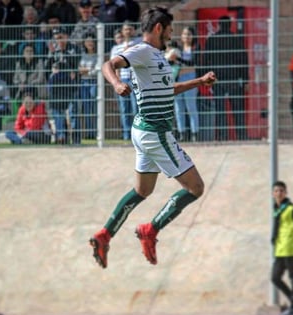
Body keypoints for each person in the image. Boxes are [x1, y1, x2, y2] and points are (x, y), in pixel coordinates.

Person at [89, 6, 216, 269]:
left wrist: (199, 81)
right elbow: (108, 64)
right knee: (196, 187)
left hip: (144, 130)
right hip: (156, 131)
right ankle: (151, 229)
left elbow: (167, 90)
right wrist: (116, 83)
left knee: (142, 190)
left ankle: (104, 235)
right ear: (159, 28)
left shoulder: (156, 56)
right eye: (170, 29)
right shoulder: (142, 50)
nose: (172, 34)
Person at [203, 15, 249, 141]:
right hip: (234, 79)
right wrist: (245, 80)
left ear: (219, 25)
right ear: (230, 25)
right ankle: (242, 136)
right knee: (238, 110)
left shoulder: (212, 40)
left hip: (217, 80)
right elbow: (243, 60)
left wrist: (207, 78)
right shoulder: (236, 40)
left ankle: (223, 137)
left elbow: (206, 60)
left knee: (220, 110)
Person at [271, 180, 293, 315]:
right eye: (276, 191)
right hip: (280, 248)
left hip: (290, 247)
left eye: (281, 191)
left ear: (286, 192)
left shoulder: (291, 208)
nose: (279, 193)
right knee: (275, 277)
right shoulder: (276, 209)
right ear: (273, 193)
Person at [46, 26, 80, 144]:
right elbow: (47, 68)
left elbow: (76, 65)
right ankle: (61, 137)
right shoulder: (53, 51)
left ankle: (76, 140)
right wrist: (51, 54)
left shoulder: (74, 49)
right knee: (58, 114)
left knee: (73, 113)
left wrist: (64, 52)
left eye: (60, 37)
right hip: (56, 89)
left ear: (66, 37)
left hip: (71, 87)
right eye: (56, 38)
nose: (58, 41)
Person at [110, 21, 139, 140]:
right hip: (123, 79)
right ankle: (127, 135)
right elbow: (113, 65)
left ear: (134, 30)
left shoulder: (138, 43)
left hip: (136, 79)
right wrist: (117, 81)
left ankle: (138, 134)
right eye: (126, 29)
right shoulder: (116, 48)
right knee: (124, 109)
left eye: (130, 29)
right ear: (122, 31)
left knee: (136, 108)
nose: (128, 31)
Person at [173, 26, 200, 142]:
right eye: (184, 34)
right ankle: (181, 133)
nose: (186, 37)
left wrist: (178, 60)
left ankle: (194, 134)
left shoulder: (196, 48)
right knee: (179, 108)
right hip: (178, 79)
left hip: (190, 78)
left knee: (191, 107)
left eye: (189, 34)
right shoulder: (177, 48)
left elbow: (192, 63)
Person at [78, 33, 97, 139]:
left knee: (94, 107)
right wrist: (89, 70)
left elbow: (96, 71)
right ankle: (90, 134)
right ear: (84, 43)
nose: (89, 43)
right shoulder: (81, 55)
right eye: (87, 41)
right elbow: (79, 70)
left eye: (91, 41)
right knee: (86, 108)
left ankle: (96, 132)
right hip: (83, 83)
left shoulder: (98, 55)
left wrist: (86, 71)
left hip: (94, 82)